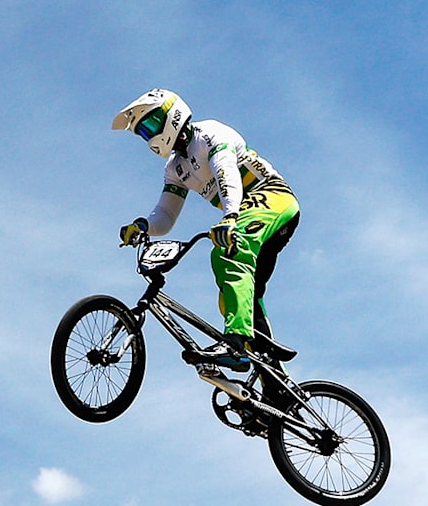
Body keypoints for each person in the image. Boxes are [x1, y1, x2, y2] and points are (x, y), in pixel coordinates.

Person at [112, 88, 300, 376]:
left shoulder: (209, 134)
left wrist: (230, 216)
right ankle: (273, 388)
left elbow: (226, 171)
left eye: (150, 126)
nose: (150, 137)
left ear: (170, 116)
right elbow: (166, 214)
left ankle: (235, 345)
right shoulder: (176, 167)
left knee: (227, 255)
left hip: (271, 197)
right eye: (143, 134)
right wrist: (143, 226)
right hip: (245, 211)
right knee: (233, 298)